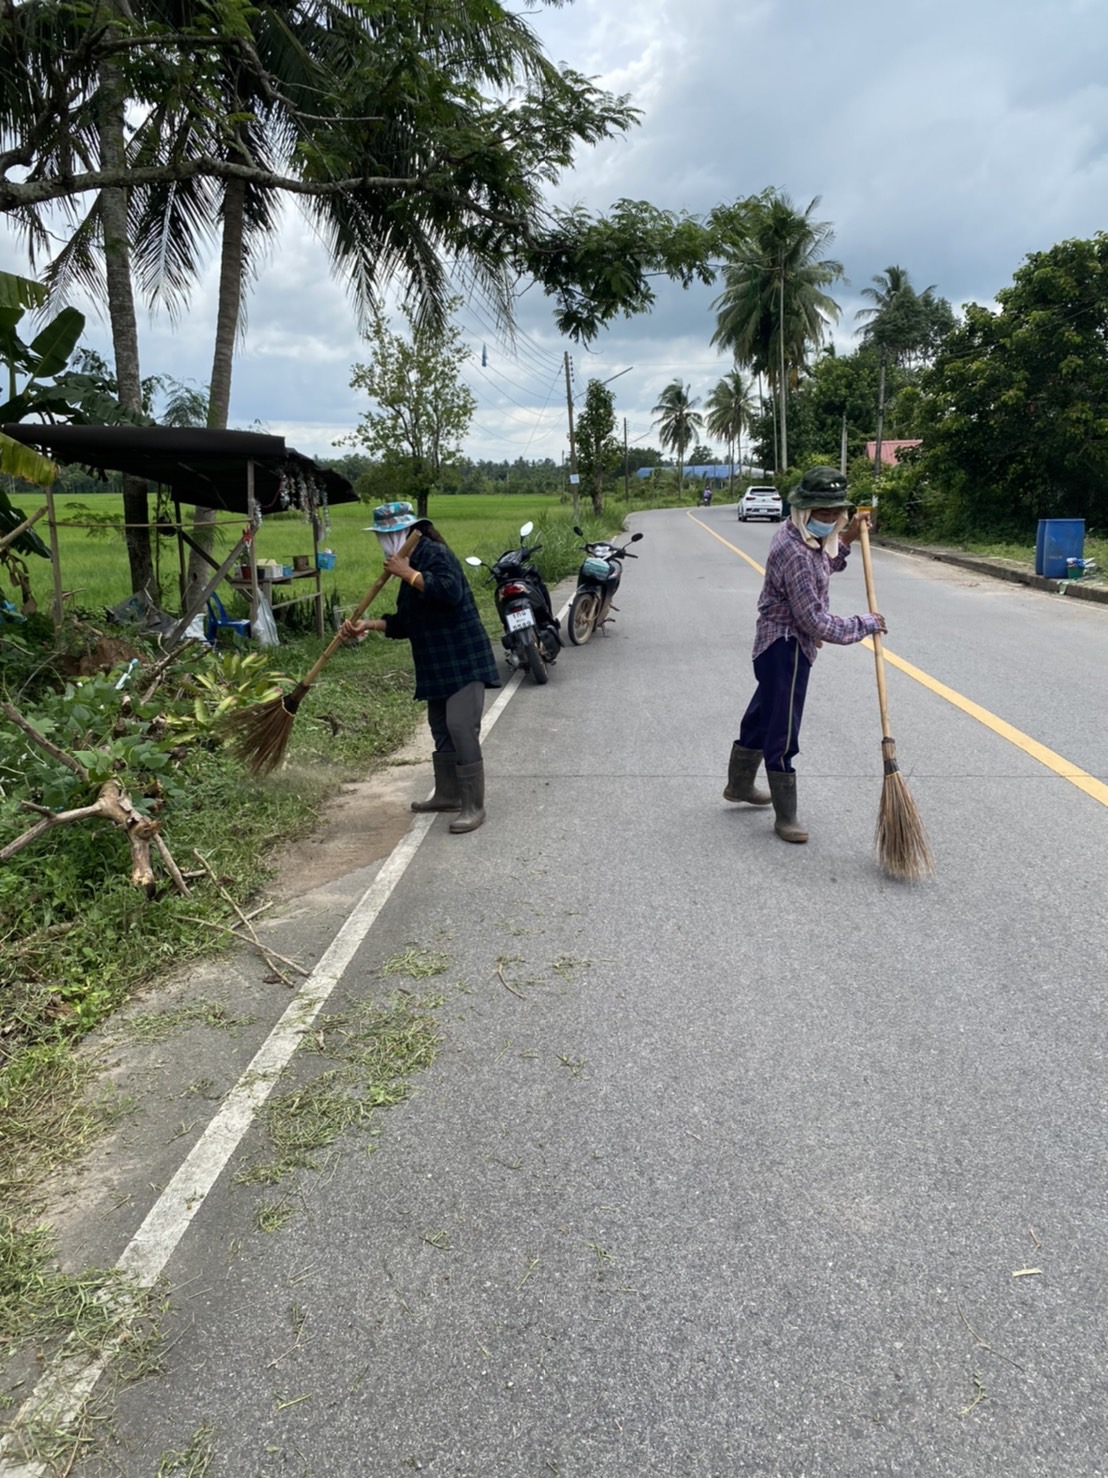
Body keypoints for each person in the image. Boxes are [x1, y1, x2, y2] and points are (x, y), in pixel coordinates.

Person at [723, 466, 887, 844]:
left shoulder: (802, 538)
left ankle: (739, 785)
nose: (827, 521)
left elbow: (825, 563)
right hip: (786, 646)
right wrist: (864, 624)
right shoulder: (794, 550)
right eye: (821, 514)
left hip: (774, 643)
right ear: (804, 511)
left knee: (764, 712)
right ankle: (786, 817)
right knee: (782, 727)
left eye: (834, 514)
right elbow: (814, 620)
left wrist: (847, 536)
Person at [340, 502, 501, 834]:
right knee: (440, 725)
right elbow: (406, 624)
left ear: (408, 532)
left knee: (460, 726)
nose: (384, 543)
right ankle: (448, 794)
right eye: (380, 536)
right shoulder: (408, 564)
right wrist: (366, 625)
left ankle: (474, 806)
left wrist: (408, 574)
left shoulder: (433, 555)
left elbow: (450, 592)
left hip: (463, 658)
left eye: (388, 535)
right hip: (435, 662)